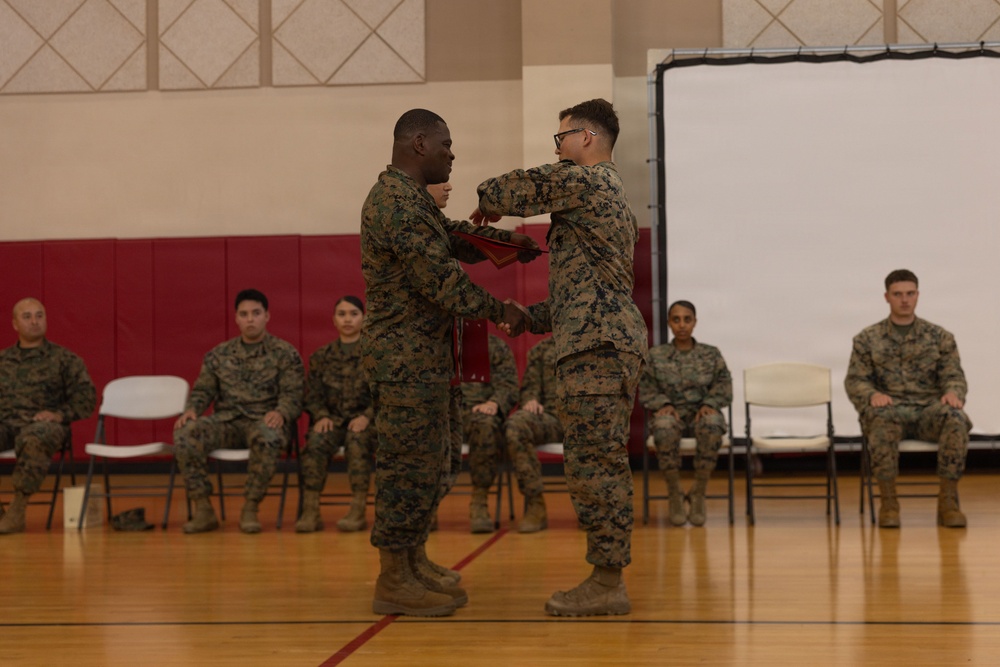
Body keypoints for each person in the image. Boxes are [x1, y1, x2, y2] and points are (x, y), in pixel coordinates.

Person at [361, 108, 539, 617]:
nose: (452, 155)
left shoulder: (413, 202)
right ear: (418, 143)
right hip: (404, 364)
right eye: (446, 145)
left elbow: (454, 237)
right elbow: (440, 280)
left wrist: (508, 243)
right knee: (406, 467)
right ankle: (393, 577)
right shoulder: (395, 203)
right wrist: (499, 309)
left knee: (432, 463)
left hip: (426, 360)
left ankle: (413, 560)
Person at [475, 98, 648, 616]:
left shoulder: (589, 182)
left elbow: (508, 190)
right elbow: (586, 294)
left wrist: (488, 201)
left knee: (596, 463)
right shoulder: (606, 195)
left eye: (562, 138)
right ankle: (606, 574)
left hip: (598, 348)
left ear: (587, 137)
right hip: (601, 337)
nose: (559, 147)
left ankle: (608, 582)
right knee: (597, 459)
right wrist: (529, 319)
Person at [845, 269, 971, 529]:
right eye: (898, 294)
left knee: (956, 418)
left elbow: (954, 375)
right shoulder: (867, 339)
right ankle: (889, 503)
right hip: (891, 411)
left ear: (918, 295)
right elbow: (855, 380)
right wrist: (873, 395)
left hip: (928, 412)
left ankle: (948, 503)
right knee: (879, 420)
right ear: (887, 297)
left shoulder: (939, 337)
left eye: (910, 294)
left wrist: (953, 393)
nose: (904, 300)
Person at [173, 289, 304, 535]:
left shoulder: (284, 354)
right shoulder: (219, 355)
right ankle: (203, 509)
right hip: (228, 423)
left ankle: (250, 508)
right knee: (186, 433)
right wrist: (192, 409)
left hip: (264, 420)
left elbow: (294, 394)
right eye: (244, 314)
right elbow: (203, 389)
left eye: (256, 313)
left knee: (269, 436)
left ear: (267, 316)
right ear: (236, 318)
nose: (250, 319)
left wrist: (282, 412)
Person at [0, 298, 95, 534]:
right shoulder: (3, 361)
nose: (34, 321)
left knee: (34, 437)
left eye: (39, 315)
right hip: (6, 424)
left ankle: (17, 510)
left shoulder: (65, 360)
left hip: (44, 427)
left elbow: (86, 398)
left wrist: (58, 414)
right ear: (14, 324)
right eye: (27, 316)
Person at [638, 300, 732, 527]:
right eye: (676, 319)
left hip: (702, 412)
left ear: (695, 323)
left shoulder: (710, 354)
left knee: (712, 424)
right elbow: (645, 388)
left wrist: (709, 402)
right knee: (663, 427)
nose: (682, 325)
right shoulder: (656, 355)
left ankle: (698, 492)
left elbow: (724, 385)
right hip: (672, 415)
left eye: (687, 319)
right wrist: (663, 403)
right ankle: (675, 493)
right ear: (669, 323)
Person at [297, 296, 375, 533]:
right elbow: (312, 395)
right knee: (316, 442)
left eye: (353, 313)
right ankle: (310, 510)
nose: (348, 319)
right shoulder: (321, 357)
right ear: (334, 320)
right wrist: (321, 416)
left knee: (357, 442)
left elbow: (384, 393)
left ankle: (358, 509)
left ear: (364, 318)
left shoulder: (375, 355)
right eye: (342, 314)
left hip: (364, 423)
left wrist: (367, 417)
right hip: (331, 421)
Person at [460, 333, 518, 533]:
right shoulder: (438, 344)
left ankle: (479, 500)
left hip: (481, 412)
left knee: (485, 425)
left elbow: (509, 387)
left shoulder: (494, 347)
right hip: (445, 413)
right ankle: (426, 507)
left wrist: (494, 403)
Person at [503, 337, 561, 533]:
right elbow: (530, 387)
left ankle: (593, 508)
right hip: (552, 418)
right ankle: (535, 503)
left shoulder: (594, 345)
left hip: (587, 420)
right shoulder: (542, 350)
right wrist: (530, 400)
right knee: (516, 426)